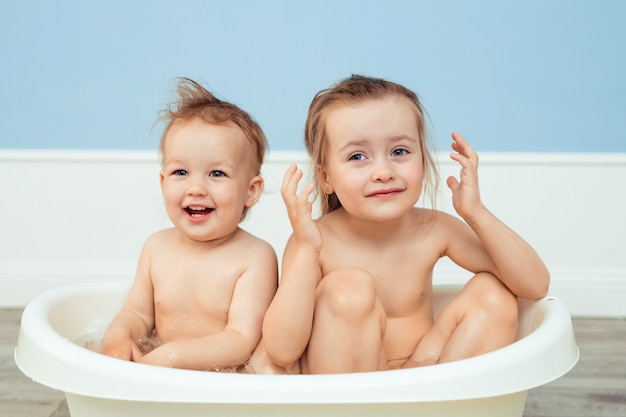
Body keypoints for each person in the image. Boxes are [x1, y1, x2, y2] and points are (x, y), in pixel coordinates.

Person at [262, 74, 550, 374]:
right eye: (358, 156)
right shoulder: (315, 241)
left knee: (495, 293)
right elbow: (282, 352)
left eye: (399, 152)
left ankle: (446, 402)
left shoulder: (434, 229)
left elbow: (534, 285)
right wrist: (307, 249)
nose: (384, 172)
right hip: (351, 385)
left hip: (423, 373)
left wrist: (476, 213)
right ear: (326, 178)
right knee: (348, 288)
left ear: (423, 161)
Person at [101, 78, 284, 373]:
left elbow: (241, 340)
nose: (196, 188)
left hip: (221, 381)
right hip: (161, 369)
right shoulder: (156, 248)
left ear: (251, 191)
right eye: (181, 171)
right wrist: (117, 338)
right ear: (163, 183)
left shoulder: (255, 256)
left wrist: (172, 356)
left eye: (217, 173)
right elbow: (136, 313)